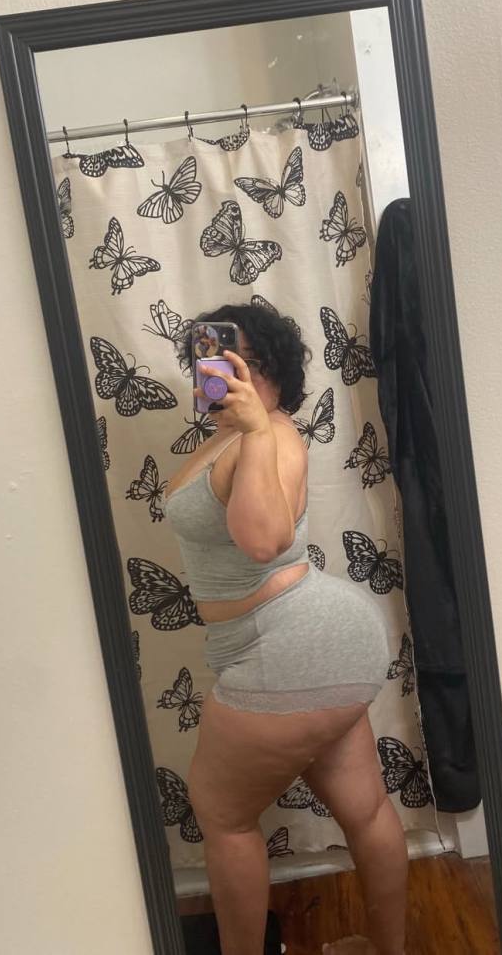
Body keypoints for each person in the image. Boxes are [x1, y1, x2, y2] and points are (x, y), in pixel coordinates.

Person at [162, 303, 407, 955]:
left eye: (247, 362)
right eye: (214, 360)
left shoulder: (272, 436)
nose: (226, 373)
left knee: (225, 818)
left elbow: (264, 540)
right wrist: (242, 428)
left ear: (274, 369)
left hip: (290, 645)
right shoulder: (231, 436)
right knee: (364, 809)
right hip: (316, 643)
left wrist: (254, 430)